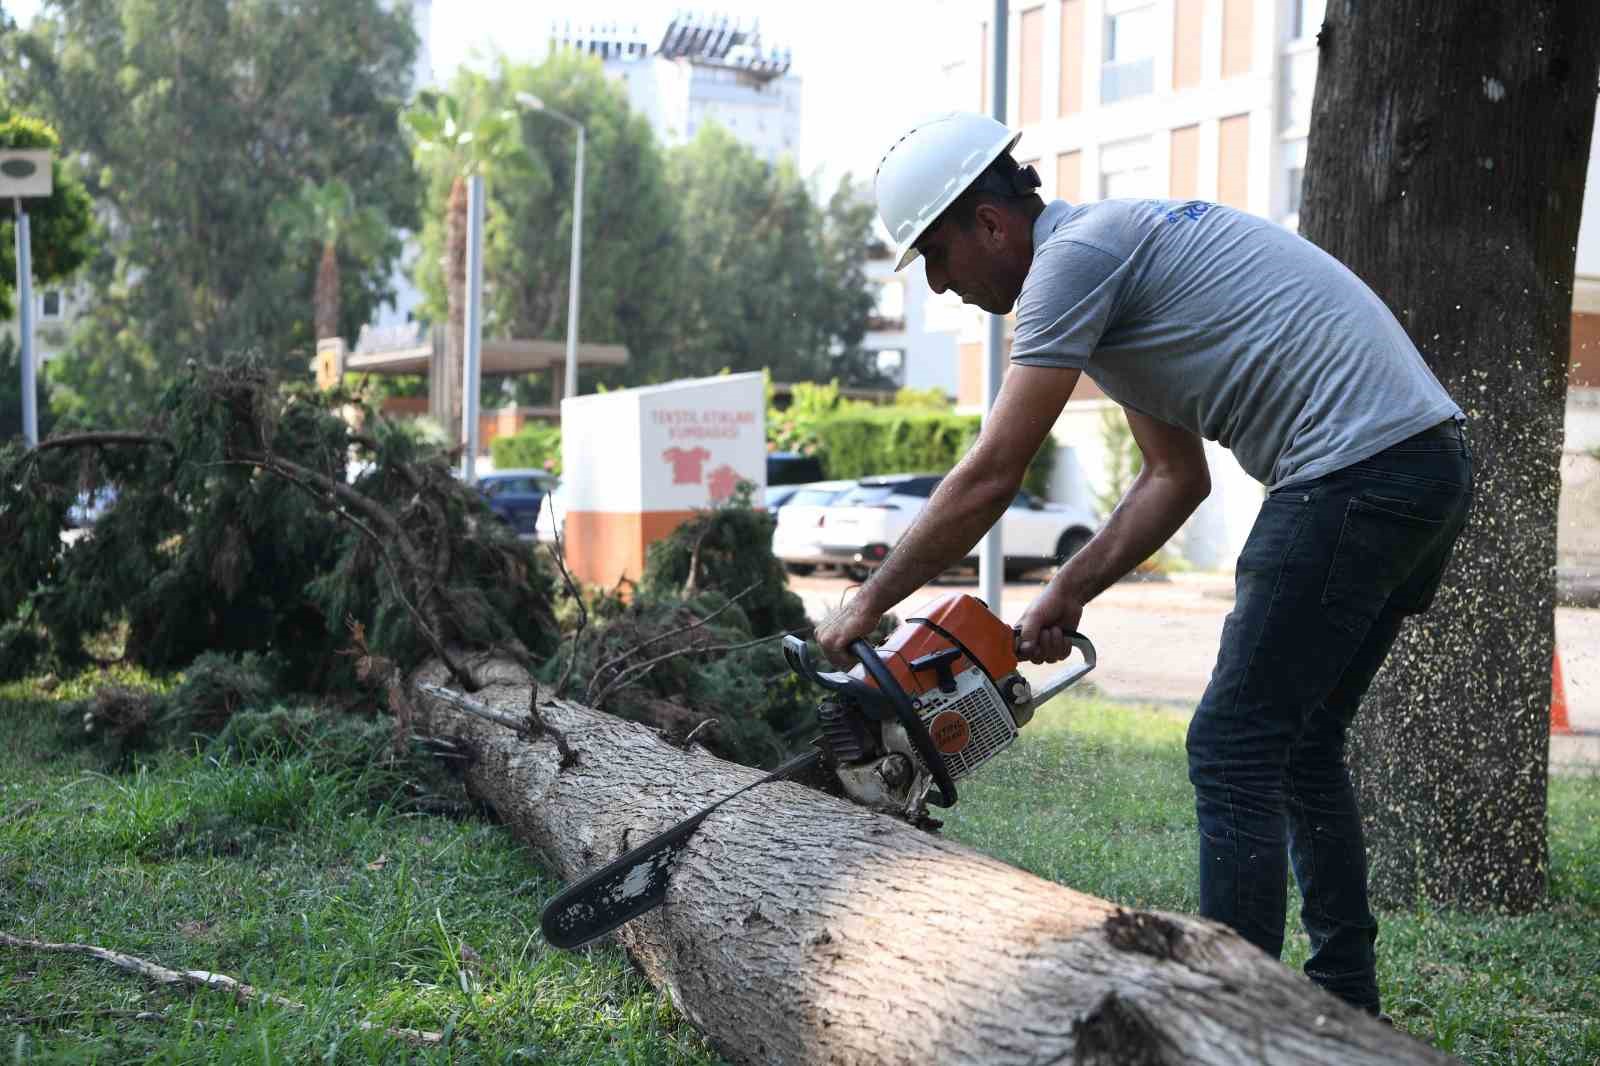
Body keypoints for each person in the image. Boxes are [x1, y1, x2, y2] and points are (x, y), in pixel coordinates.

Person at [814, 112, 1473, 1017]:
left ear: (991, 224)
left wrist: (864, 604)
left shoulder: (1070, 264)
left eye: (936, 255)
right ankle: (1344, 1005)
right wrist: (1067, 590)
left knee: (1233, 746)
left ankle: (1225, 1020)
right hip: (1424, 464)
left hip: (1352, 471)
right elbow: (1174, 478)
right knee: (1301, 742)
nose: (938, 285)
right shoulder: (1114, 260)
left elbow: (990, 476)